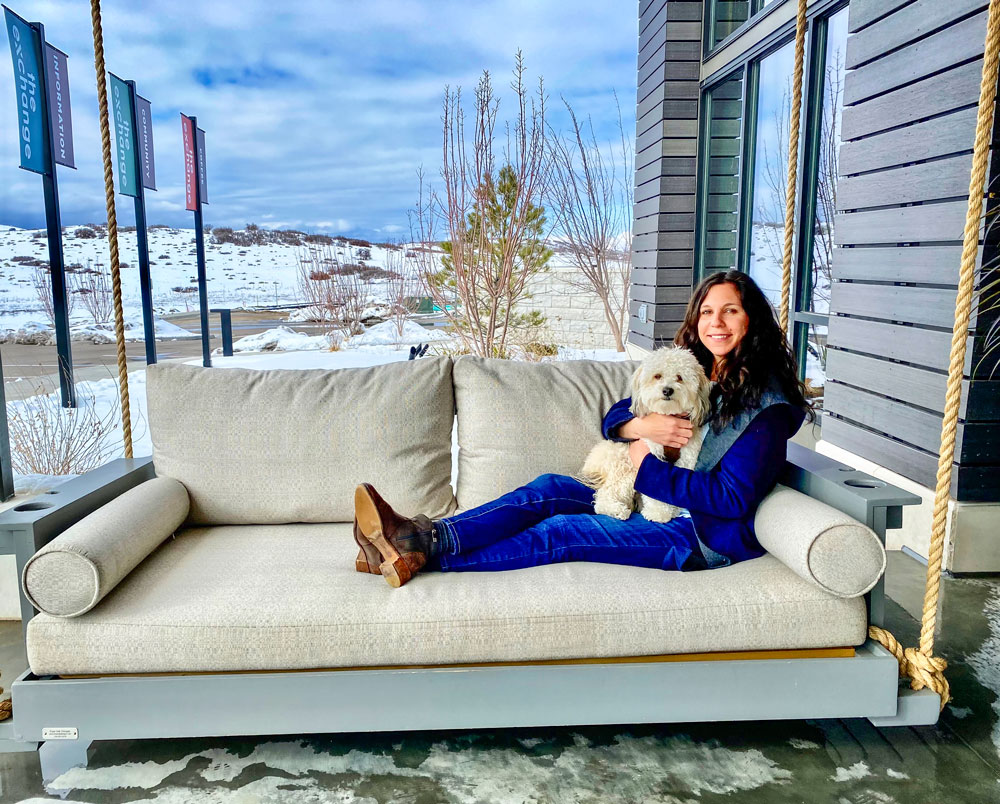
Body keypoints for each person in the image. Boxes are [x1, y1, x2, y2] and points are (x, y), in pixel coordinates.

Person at [354, 269, 814, 588]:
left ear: (751, 320)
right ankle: (424, 536)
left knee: (562, 532)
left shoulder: (764, 406)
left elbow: (731, 500)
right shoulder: (698, 370)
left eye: (730, 311)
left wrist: (643, 465)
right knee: (548, 488)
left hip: (696, 533)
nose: (716, 322)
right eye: (708, 311)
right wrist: (642, 425)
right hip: (645, 494)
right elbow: (616, 416)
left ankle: (415, 550)